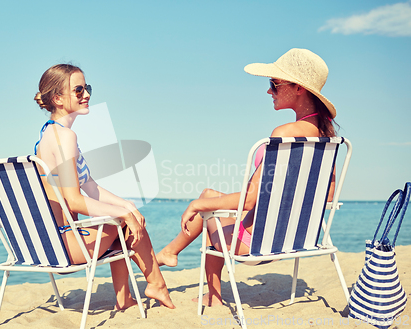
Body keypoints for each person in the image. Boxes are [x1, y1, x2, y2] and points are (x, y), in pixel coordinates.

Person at [156, 48, 339, 306]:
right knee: (210, 196)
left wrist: (195, 205)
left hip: (257, 245)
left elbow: (251, 200)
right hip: (295, 241)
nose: (269, 91)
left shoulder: (283, 134)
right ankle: (170, 251)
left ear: (298, 88)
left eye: (274, 84)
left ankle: (213, 295)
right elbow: (328, 197)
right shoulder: (327, 141)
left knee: (208, 211)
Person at [33, 64, 175, 310]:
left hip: (50, 242)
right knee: (127, 223)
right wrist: (123, 214)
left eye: (87, 88)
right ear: (57, 98)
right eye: (78, 90)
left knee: (126, 217)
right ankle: (156, 284)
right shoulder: (65, 138)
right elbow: (74, 201)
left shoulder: (49, 135)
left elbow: (89, 185)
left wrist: (124, 205)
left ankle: (127, 297)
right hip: (66, 245)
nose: (86, 94)